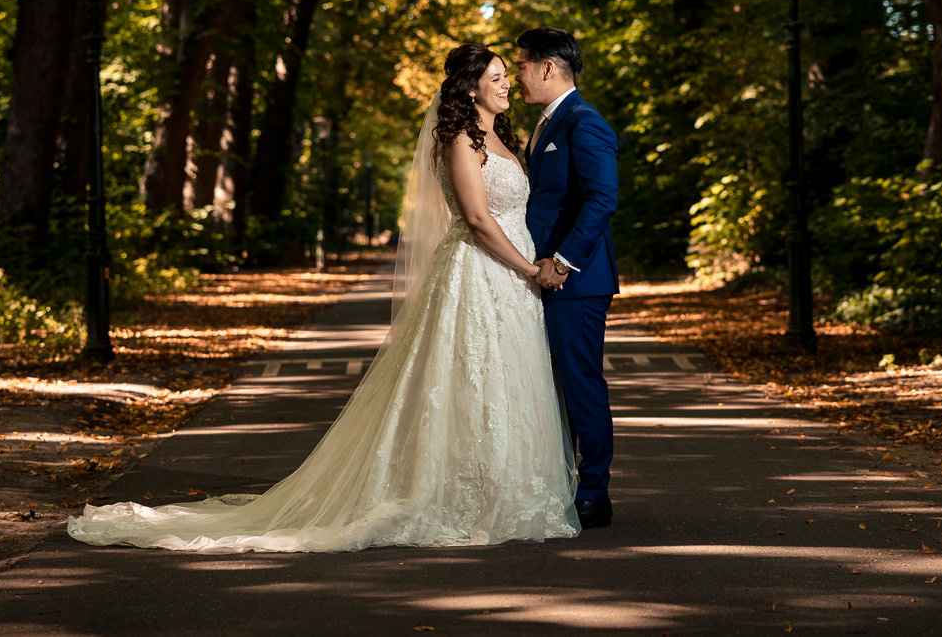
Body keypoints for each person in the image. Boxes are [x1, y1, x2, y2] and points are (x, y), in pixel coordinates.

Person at [66, 44, 578, 552]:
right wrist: (530, 268)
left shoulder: (504, 137)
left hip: (512, 280)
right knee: (469, 376)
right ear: (470, 88)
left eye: (508, 74)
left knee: (506, 380)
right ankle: (459, 492)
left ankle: (504, 488)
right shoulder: (461, 142)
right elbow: (477, 219)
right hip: (482, 272)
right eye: (496, 76)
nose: (507, 83)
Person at [514, 26, 620, 530]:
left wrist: (562, 261)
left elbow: (602, 199)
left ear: (548, 67)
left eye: (521, 66)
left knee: (581, 384)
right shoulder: (546, 123)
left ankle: (595, 494)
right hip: (544, 277)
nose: (517, 76)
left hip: (577, 280)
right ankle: (561, 483)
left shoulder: (584, 122)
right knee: (549, 385)